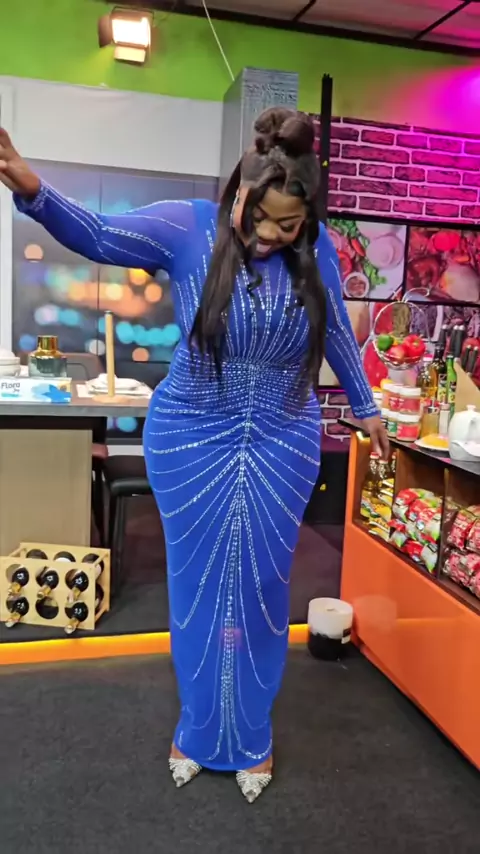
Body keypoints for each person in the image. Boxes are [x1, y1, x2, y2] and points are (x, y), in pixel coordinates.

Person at [0, 109, 388, 803]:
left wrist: (366, 404)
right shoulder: (188, 227)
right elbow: (100, 235)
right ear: (239, 191)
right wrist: (34, 190)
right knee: (200, 586)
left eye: (288, 226)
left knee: (262, 586)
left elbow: (333, 328)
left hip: (283, 439)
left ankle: (251, 734)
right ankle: (200, 727)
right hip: (191, 437)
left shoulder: (316, 248)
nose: (269, 236)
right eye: (259, 218)